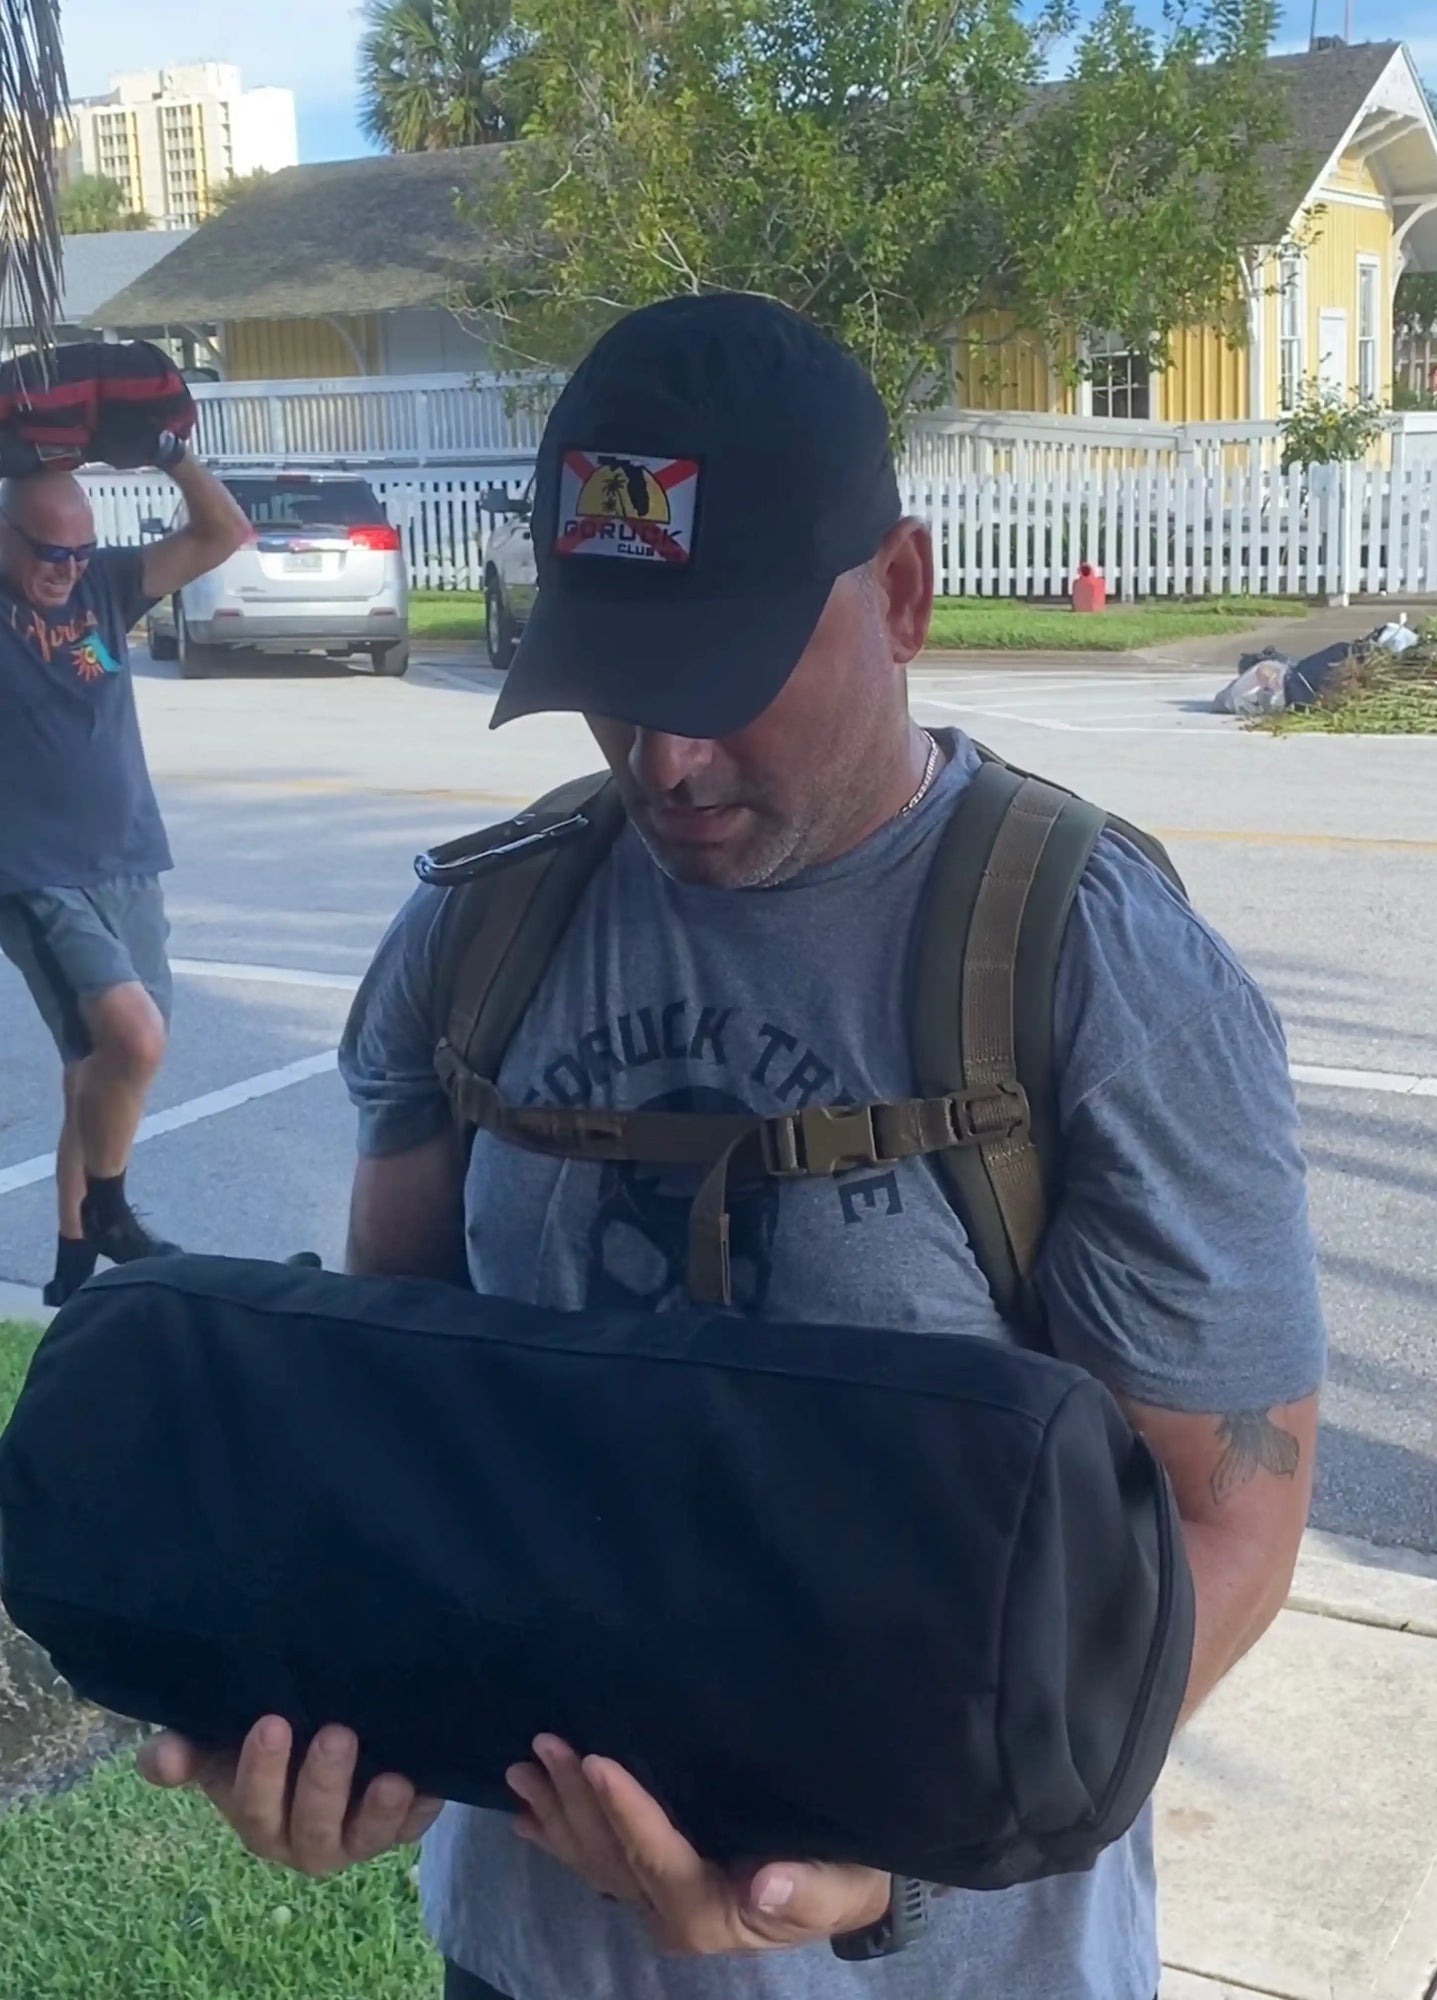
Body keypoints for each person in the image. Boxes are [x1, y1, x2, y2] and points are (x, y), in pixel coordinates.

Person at [139, 295, 1326, 2000]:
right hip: (535, 1964)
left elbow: (1233, 1530)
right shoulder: (480, 939)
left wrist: (891, 1864)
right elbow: (404, 1419)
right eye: (617, 682)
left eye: (724, 677)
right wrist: (353, 1727)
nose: (666, 757)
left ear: (903, 595)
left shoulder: (1094, 972)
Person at [0, 447, 250, 1304]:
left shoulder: (104, 583)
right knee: (134, 1037)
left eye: (78, 552)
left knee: (97, 1068)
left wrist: (172, 457)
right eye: (46, 553)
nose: (64, 571)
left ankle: (73, 1256)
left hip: (129, 855)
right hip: (30, 869)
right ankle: (111, 1215)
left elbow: (224, 532)